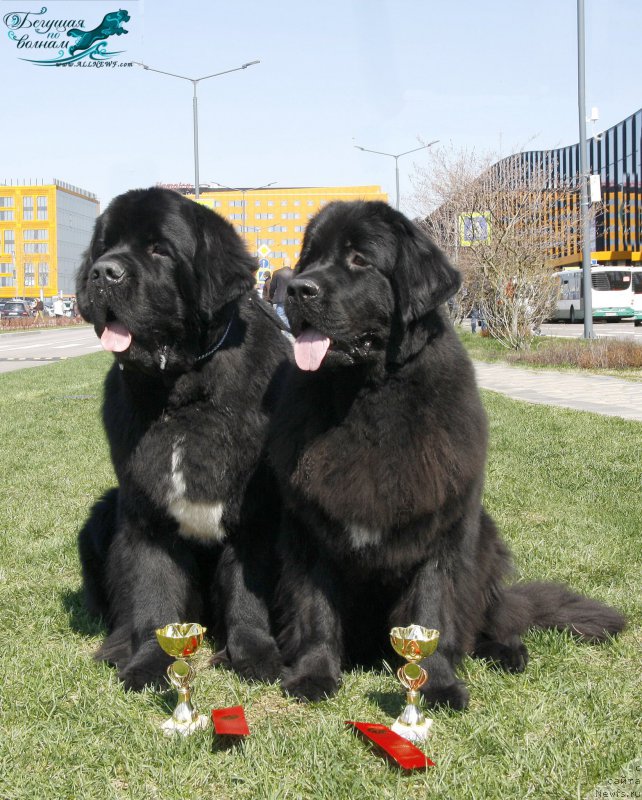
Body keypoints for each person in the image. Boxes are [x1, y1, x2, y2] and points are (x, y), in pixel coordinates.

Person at [269, 263, 295, 328]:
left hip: (280, 299)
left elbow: (272, 286)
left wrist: (271, 296)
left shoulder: (276, 273)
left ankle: (284, 331)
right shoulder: (295, 273)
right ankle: (289, 331)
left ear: (283, 264)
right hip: (292, 299)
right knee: (291, 316)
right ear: (290, 265)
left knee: (280, 316)